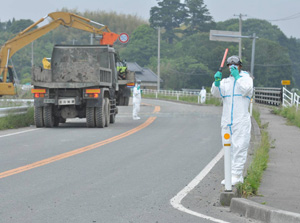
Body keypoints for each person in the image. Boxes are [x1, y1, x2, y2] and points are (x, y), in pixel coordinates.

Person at [211, 55, 253, 185]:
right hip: (227, 120)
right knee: (228, 148)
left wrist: (237, 77)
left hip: (240, 120)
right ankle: (230, 175)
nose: (232, 67)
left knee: (240, 146)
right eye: (230, 65)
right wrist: (216, 82)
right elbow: (216, 93)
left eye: (235, 65)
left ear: (240, 66)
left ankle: (237, 174)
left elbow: (246, 90)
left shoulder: (246, 79)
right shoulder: (225, 82)